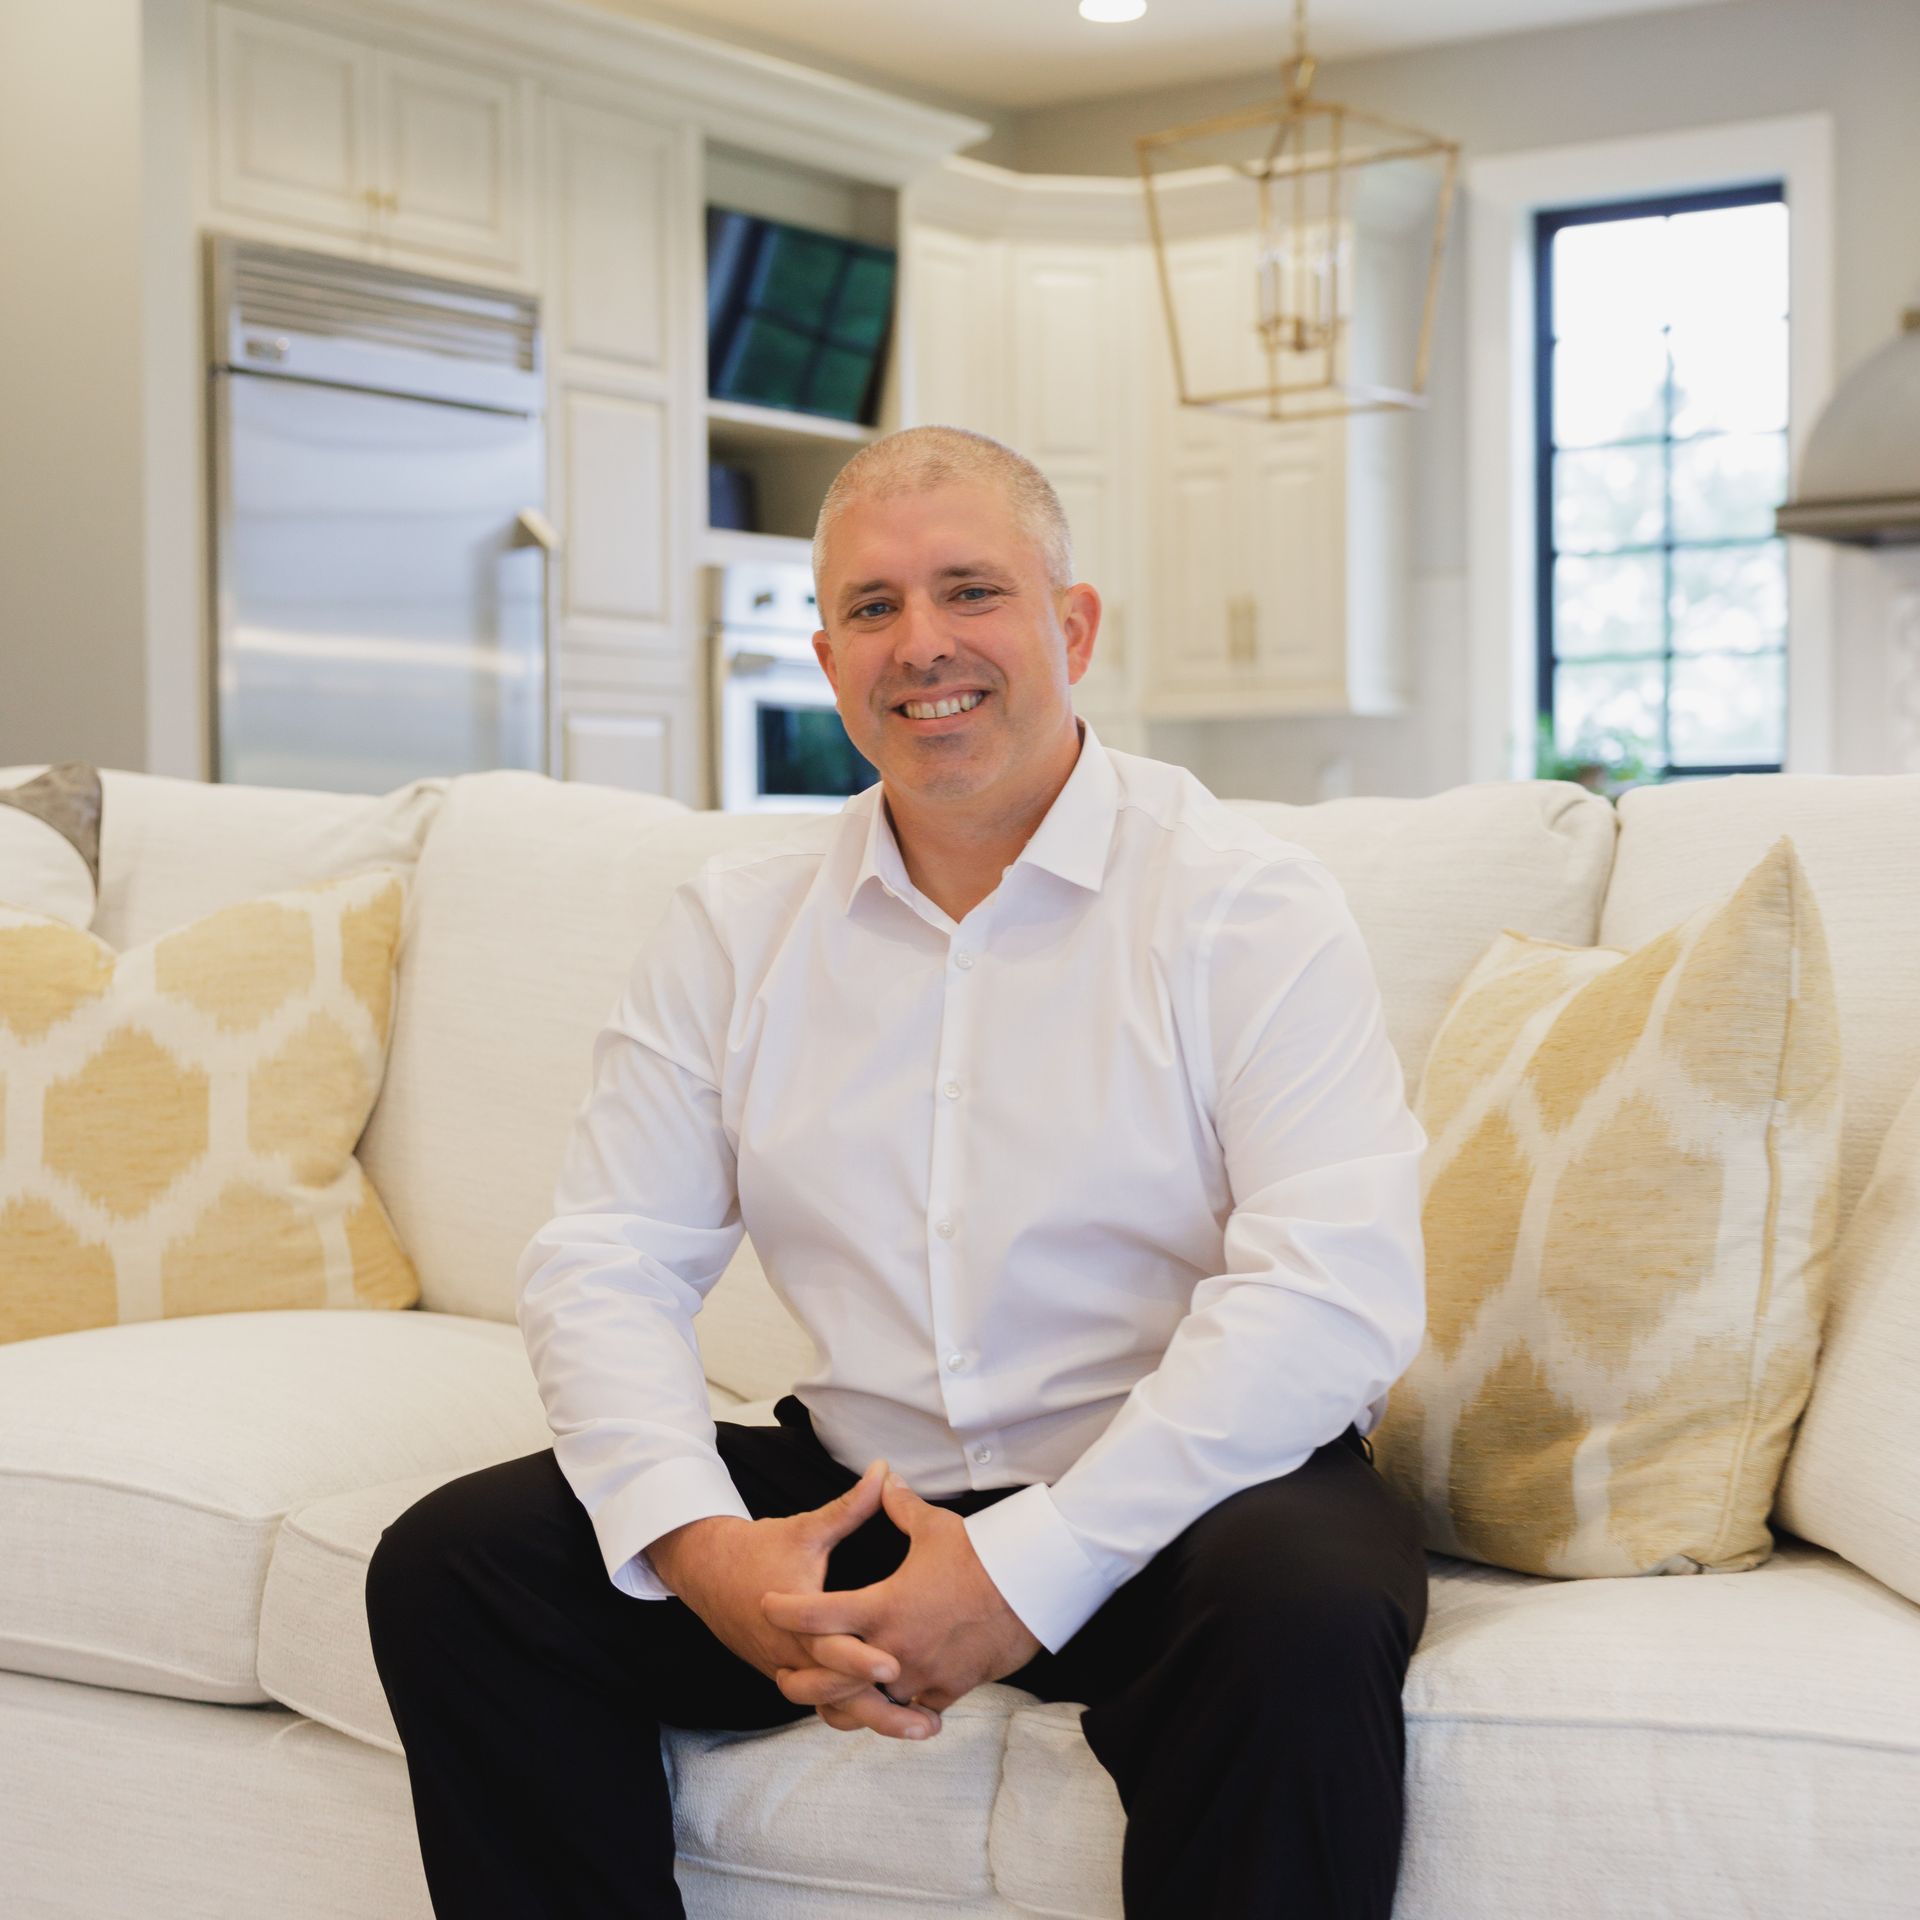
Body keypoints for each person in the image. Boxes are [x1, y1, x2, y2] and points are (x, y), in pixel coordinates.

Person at [366, 424, 1433, 1919]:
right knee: (457, 1569)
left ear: (1071, 625)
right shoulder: (736, 927)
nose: (922, 645)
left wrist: (1015, 1580)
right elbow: (605, 1255)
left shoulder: (1244, 907)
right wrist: (709, 1547)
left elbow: (1332, 1294)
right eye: (873, 608)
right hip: (862, 1489)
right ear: (826, 654)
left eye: (970, 592)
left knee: (1302, 1619)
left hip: (1185, 1495)